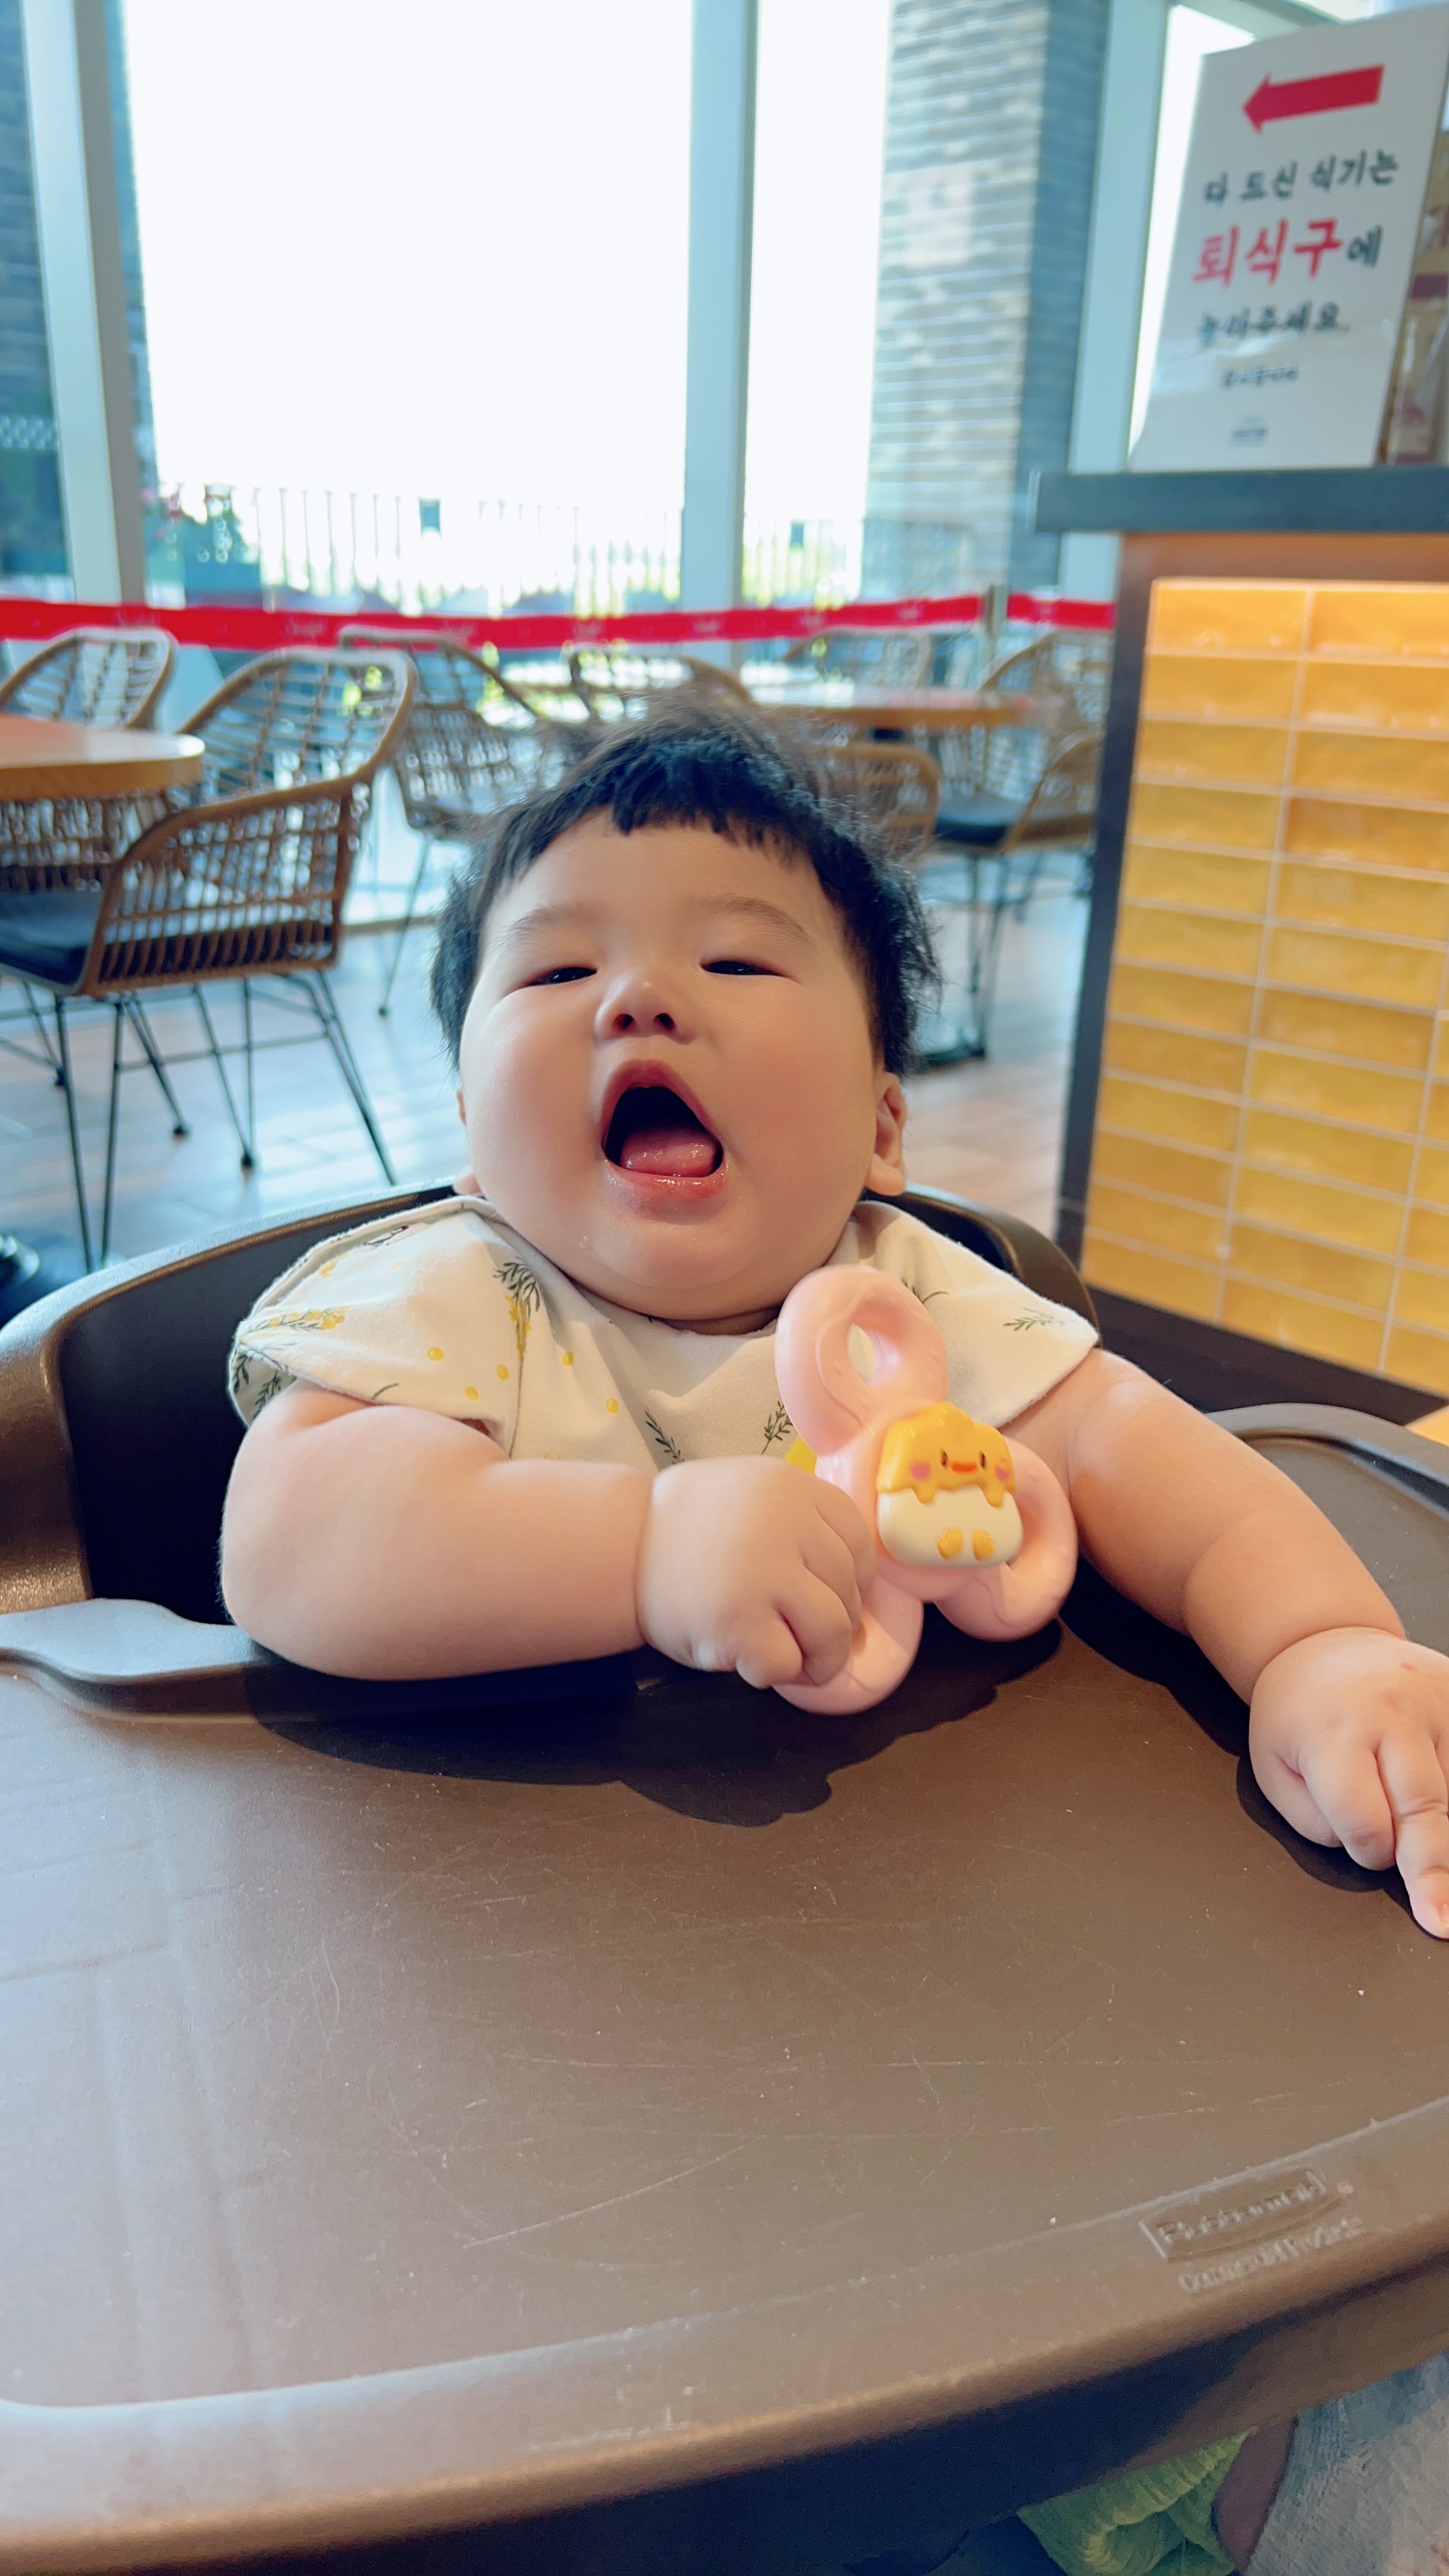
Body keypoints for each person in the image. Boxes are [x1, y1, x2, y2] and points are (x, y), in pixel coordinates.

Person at [220, 703, 1449, 2573]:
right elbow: (299, 1545)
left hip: (943, 2023)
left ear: (883, 1116)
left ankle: (1208, 2474)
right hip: (553, 2069)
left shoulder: (916, 1302)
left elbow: (1166, 1472)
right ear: (465, 1116)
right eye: (555, 970)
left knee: (1131, 2270)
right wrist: (645, 1545)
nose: (642, 997)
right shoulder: (452, 1299)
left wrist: (1322, 1649)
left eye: (733, 960)